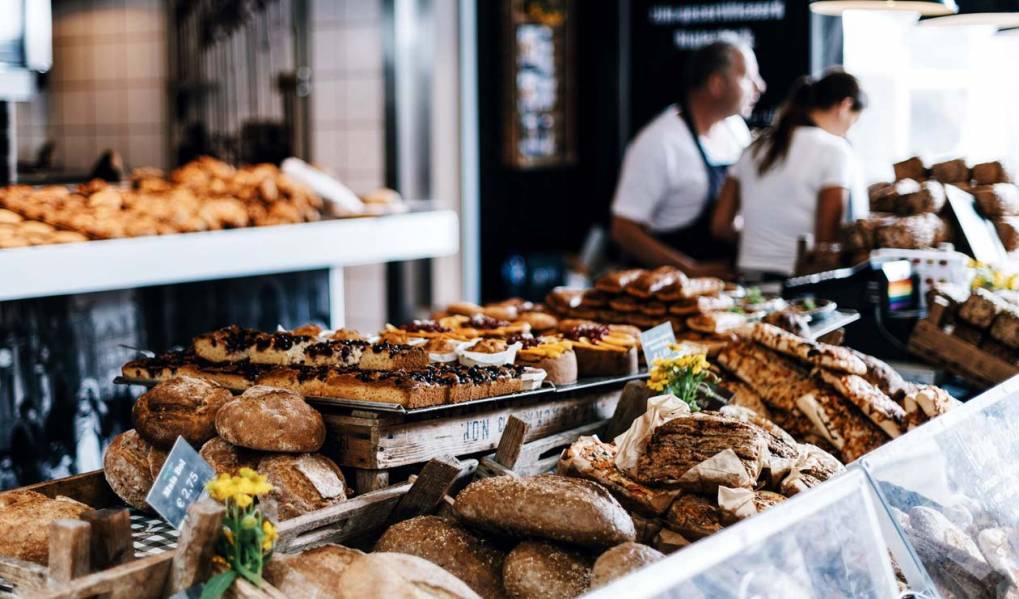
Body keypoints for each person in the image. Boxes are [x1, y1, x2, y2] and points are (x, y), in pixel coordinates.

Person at [611, 38, 766, 278]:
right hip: (668, 290)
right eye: (748, 77)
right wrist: (690, 270)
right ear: (716, 84)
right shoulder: (660, 142)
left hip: (726, 285)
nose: (760, 87)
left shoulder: (735, 129)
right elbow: (624, 230)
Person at [711, 70, 867, 279]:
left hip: (748, 279)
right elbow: (826, 243)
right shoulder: (835, 151)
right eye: (854, 122)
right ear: (845, 106)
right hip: (799, 285)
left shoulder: (754, 148)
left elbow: (720, 226)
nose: (849, 130)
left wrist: (761, 243)